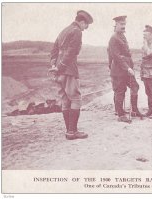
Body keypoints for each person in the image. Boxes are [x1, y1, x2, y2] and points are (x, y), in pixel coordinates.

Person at [49, 10, 93, 140]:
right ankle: (72, 131)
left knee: (65, 99)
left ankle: (69, 131)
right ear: (82, 22)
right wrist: (61, 67)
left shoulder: (64, 30)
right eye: (86, 26)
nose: (85, 29)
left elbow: (54, 50)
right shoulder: (77, 31)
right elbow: (71, 52)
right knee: (75, 98)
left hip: (58, 70)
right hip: (68, 70)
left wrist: (54, 66)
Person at [108, 16, 143, 123]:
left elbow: (124, 54)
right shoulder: (114, 38)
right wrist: (127, 68)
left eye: (124, 24)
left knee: (135, 86)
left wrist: (129, 66)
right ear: (116, 25)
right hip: (120, 70)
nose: (123, 26)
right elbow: (116, 56)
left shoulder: (122, 36)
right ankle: (121, 115)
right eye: (121, 24)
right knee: (120, 91)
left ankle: (134, 110)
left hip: (126, 69)